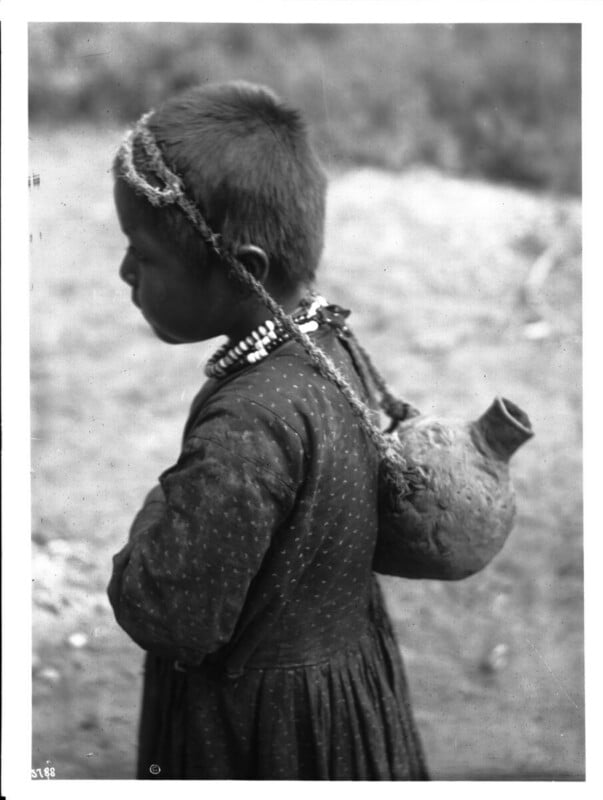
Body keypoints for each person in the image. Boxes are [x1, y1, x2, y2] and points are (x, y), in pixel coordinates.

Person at [107, 81, 428, 780]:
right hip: (344, 687)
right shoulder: (328, 350)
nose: (124, 270)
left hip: (261, 729)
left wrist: (156, 512)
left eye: (144, 253)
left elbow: (171, 616)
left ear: (242, 269)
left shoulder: (250, 425)